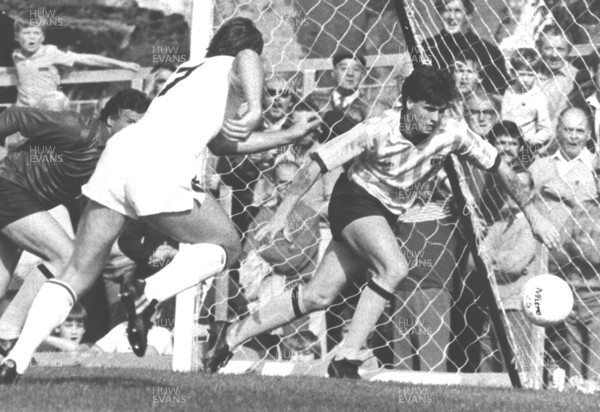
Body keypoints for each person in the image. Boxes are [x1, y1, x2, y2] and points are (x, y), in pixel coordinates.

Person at [0, 17, 322, 383]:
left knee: (77, 270)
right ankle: (147, 295)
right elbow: (248, 55)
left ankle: (16, 360)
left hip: (119, 154)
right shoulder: (236, 64)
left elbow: (221, 144)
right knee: (227, 244)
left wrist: (287, 135)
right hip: (159, 163)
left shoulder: (189, 69)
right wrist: (255, 107)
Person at [204, 66, 560, 379]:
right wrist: (282, 212)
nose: (436, 119)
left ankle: (230, 335)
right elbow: (316, 162)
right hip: (354, 200)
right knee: (395, 267)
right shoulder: (377, 129)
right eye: (429, 110)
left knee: (318, 295)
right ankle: (346, 357)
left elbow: (501, 166)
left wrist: (534, 215)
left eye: (441, 110)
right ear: (408, 103)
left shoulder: (453, 132)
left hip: (385, 213)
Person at [0, 89, 150, 360]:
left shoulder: (118, 156)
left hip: (24, 201)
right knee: (67, 257)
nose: (136, 130)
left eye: (142, 125)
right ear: (110, 120)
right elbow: (15, 116)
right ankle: (7, 332)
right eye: (130, 122)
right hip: (9, 189)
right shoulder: (77, 128)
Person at [529, 108, 600, 381]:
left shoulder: (595, 168)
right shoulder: (540, 166)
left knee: (581, 327)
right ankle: (546, 382)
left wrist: (562, 191)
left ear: (589, 134)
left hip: (583, 269)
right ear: (557, 130)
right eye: (568, 129)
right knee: (546, 327)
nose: (573, 136)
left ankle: (584, 382)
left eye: (579, 131)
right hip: (545, 263)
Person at [12, 15, 140, 107]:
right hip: (22, 112)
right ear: (17, 37)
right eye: (27, 33)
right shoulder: (16, 55)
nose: (32, 37)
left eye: (36, 32)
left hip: (45, 111)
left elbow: (87, 58)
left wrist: (122, 64)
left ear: (43, 37)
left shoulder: (51, 53)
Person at [422, 0, 508, 94]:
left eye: (458, 11)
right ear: (439, 14)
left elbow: (498, 94)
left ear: (468, 15)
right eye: (447, 10)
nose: (452, 16)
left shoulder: (489, 52)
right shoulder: (425, 47)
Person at [502, 49, 552, 154]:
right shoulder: (509, 92)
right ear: (512, 73)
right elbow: (504, 119)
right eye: (521, 74)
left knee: (525, 168)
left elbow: (546, 129)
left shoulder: (538, 97)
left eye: (530, 75)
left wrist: (532, 141)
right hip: (507, 142)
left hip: (528, 147)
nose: (525, 79)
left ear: (537, 74)